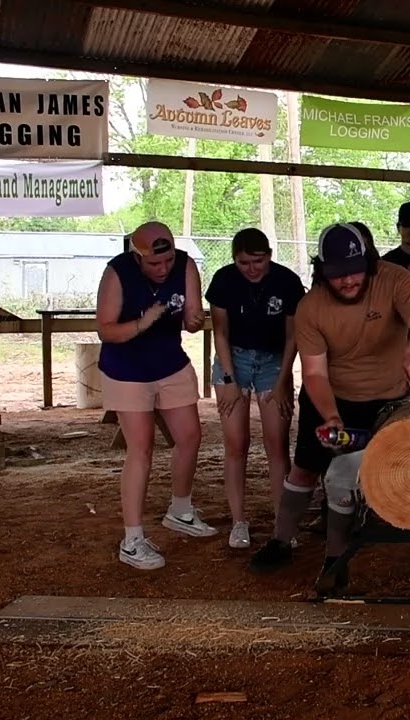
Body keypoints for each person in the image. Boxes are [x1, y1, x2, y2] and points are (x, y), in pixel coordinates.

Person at [249, 223, 410, 580]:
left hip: (386, 400)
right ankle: (281, 540)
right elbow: (315, 374)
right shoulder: (310, 308)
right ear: (322, 271)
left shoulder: (394, 279)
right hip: (330, 398)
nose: (348, 281)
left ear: (369, 263)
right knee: (304, 468)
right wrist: (332, 416)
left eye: (355, 272)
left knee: (345, 478)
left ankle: (336, 557)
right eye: (337, 276)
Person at [95, 221, 212, 570]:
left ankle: (180, 509)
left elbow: (194, 314)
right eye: (154, 264)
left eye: (168, 261)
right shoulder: (117, 273)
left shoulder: (186, 264)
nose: (163, 269)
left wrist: (194, 320)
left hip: (169, 362)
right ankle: (132, 539)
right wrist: (142, 324)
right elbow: (105, 329)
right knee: (141, 448)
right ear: (137, 256)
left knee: (190, 436)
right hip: (126, 368)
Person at [205, 228, 306, 550]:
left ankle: (282, 524)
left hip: (275, 361)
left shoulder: (287, 282)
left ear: (270, 256)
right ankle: (238, 522)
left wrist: (282, 382)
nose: (252, 268)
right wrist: (231, 381)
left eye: (258, 261)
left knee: (276, 445)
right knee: (236, 444)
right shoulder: (223, 280)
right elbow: (219, 332)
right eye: (244, 262)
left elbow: (294, 337)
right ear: (235, 259)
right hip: (232, 358)